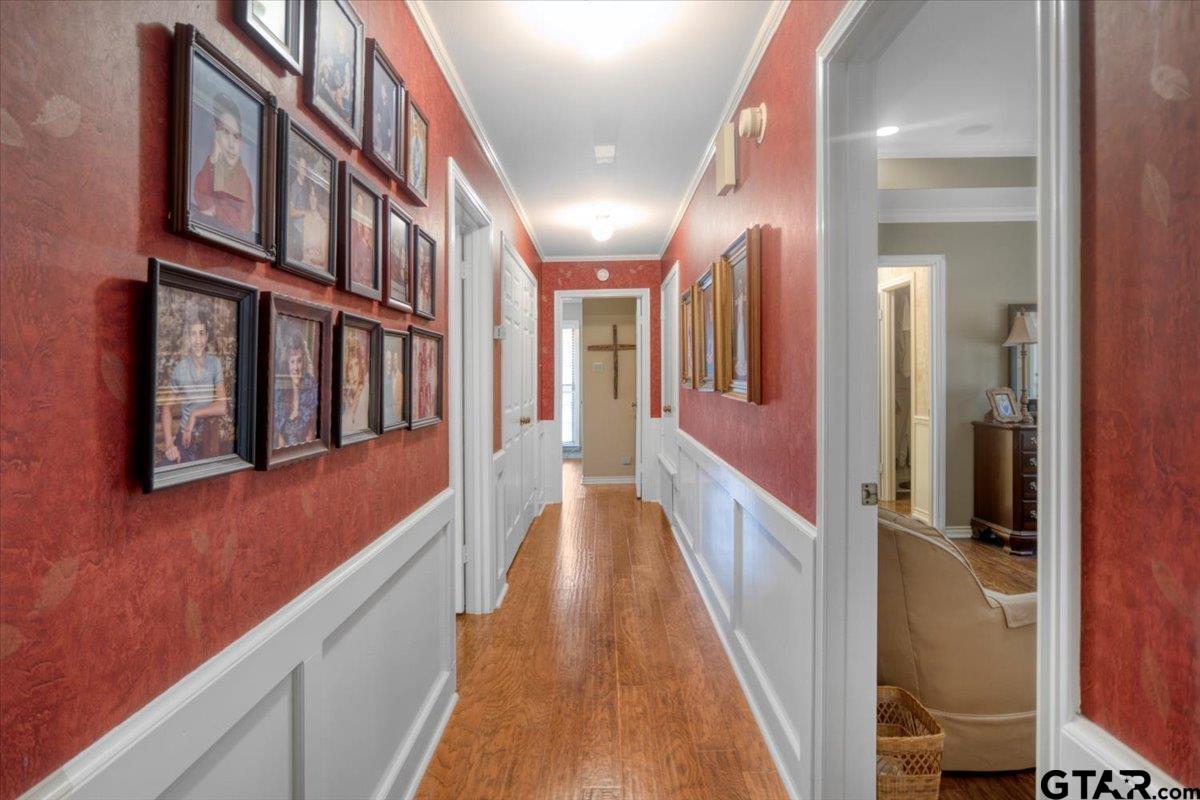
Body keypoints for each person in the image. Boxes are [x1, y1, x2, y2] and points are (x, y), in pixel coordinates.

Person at [160, 306, 228, 464]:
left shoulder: (214, 363)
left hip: (208, 439)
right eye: (193, 334)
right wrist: (169, 444)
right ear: (188, 338)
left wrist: (194, 414)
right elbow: (166, 408)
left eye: (202, 333)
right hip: (185, 440)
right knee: (165, 473)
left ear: (207, 336)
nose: (198, 340)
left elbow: (222, 406)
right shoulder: (180, 368)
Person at [193, 92, 255, 238]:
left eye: (236, 136)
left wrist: (217, 210)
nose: (232, 144)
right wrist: (213, 159)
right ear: (216, 132)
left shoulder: (243, 179)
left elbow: (243, 224)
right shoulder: (209, 167)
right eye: (226, 132)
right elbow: (202, 202)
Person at [274, 330, 318, 448]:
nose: (296, 367)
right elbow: (280, 437)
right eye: (292, 362)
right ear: (287, 365)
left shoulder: (310, 387)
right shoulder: (281, 390)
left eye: (299, 361)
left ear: (304, 362)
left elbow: (311, 435)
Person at [342, 334, 369, 432]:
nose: (354, 372)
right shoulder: (346, 396)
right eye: (350, 368)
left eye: (356, 365)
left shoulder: (366, 390)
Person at [350, 191, 374, 287]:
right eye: (358, 204)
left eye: (362, 205)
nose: (360, 207)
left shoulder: (365, 225)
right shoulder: (351, 221)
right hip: (353, 260)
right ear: (355, 205)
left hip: (363, 268)